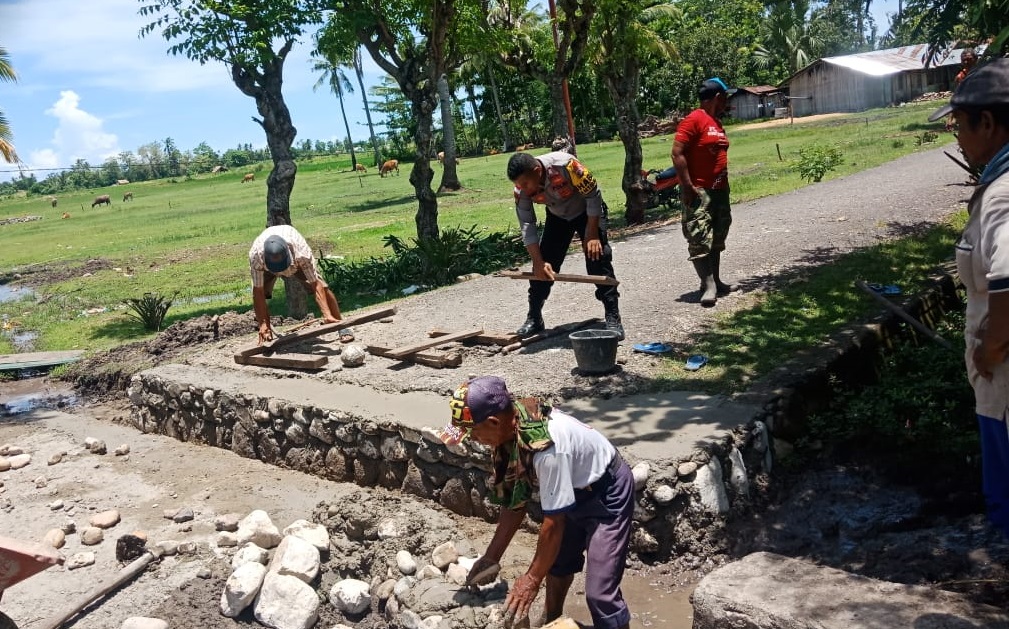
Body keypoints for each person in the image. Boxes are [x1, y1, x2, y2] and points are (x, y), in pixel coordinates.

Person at [442, 376, 634, 629]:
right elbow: (514, 502)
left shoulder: (548, 450)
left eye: (474, 433)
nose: (473, 440)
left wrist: (531, 580)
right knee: (557, 563)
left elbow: (554, 523)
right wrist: (491, 556)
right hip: (572, 487)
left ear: (493, 421)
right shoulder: (511, 432)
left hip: (605, 492)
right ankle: (553, 620)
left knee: (600, 593)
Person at [929, 57, 1009, 538]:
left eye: (959, 124)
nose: (956, 136)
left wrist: (989, 347)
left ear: (987, 122)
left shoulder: (1003, 195)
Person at [507, 151, 624, 340]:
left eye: (526, 183)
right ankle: (534, 317)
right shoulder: (521, 189)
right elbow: (527, 225)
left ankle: (612, 316)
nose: (523, 188)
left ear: (537, 171)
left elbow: (593, 195)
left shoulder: (566, 165)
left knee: (597, 259)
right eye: (519, 185)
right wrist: (537, 261)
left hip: (587, 212)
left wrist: (592, 234)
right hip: (558, 216)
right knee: (545, 264)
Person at [671, 77, 738, 307]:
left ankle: (716, 281)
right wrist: (688, 186)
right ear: (718, 97)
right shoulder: (694, 120)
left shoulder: (716, 122)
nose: (727, 102)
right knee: (699, 237)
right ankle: (707, 285)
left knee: (717, 236)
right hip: (699, 190)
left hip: (720, 190)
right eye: (725, 97)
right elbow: (677, 153)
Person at [248, 224, 341, 345]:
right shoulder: (256, 257)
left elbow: (316, 285)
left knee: (322, 286)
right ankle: (266, 333)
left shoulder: (301, 253)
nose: (279, 272)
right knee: (262, 293)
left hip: (296, 262)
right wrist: (263, 323)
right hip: (265, 265)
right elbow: (258, 292)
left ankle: (341, 326)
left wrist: (326, 314)